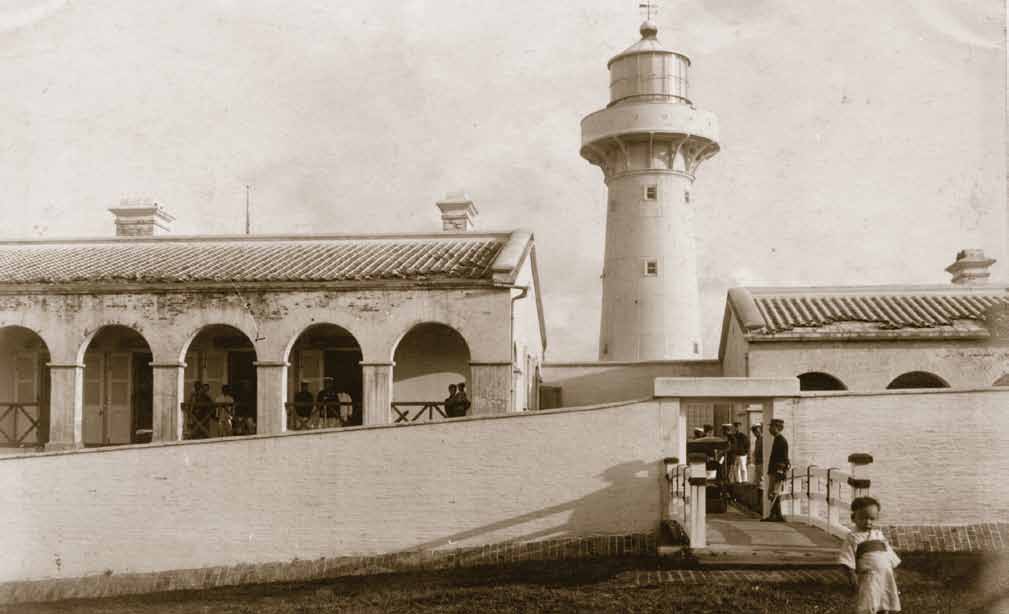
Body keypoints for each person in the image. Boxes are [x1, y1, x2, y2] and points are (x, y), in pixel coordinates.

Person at [838, 496, 901, 614]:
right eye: (863, 518)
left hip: (885, 575)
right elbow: (846, 558)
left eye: (871, 519)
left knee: (885, 600)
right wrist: (851, 575)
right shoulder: (853, 538)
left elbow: (888, 553)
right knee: (869, 601)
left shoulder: (878, 535)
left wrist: (893, 569)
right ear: (853, 518)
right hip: (868, 576)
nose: (868, 522)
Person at [762, 418, 789, 521]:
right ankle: (776, 515)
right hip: (773, 471)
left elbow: (784, 458)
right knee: (773, 493)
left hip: (776, 471)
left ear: (777, 428)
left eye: (771, 427)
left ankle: (775, 515)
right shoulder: (778, 439)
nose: (770, 429)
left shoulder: (781, 441)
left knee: (774, 492)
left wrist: (779, 471)